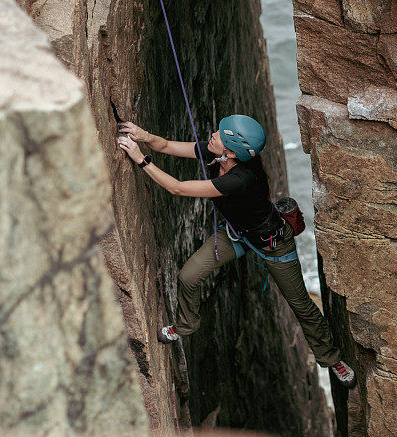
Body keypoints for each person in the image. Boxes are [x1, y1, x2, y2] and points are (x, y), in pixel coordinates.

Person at [117, 114, 356, 388]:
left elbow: (177, 188)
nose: (213, 135)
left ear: (231, 152)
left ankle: (331, 358)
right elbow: (168, 145)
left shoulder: (241, 178)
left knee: (302, 306)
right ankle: (185, 326)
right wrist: (144, 136)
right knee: (188, 277)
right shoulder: (220, 152)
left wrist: (140, 159)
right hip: (236, 234)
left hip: (274, 245)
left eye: (220, 135)